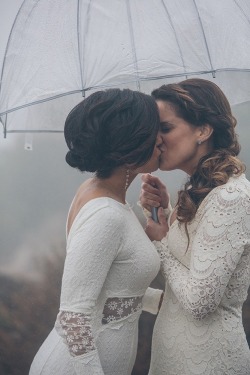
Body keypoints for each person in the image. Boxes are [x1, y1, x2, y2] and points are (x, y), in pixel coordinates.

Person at [29, 88, 163, 375]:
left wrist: (163, 302)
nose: (162, 139)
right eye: (155, 131)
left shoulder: (102, 194)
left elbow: (112, 290)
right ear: (132, 147)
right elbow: (73, 317)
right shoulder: (106, 214)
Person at [140, 78, 250, 375]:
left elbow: (200, 301)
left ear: (203, 130)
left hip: (208, 361)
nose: (157, 139)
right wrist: (163, 212)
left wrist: (161, 242)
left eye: (166, 128)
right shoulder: (197, 192)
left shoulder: (231, 198)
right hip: (172, 356)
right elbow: (185, 269)